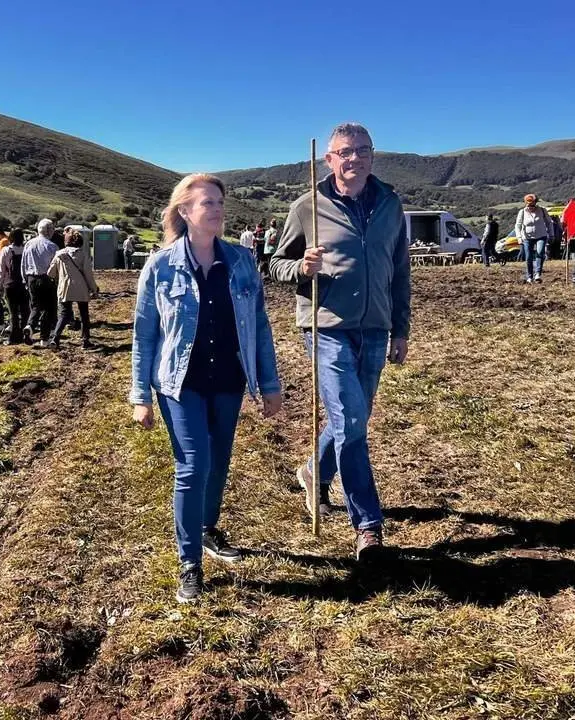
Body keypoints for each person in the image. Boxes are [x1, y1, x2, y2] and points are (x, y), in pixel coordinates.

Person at [130, 173, 283, 604]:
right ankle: (190, 564)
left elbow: (260, 326)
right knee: (193, 465)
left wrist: (270, 385)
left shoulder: (240, 261)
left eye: (218, 202)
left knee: (218, 463)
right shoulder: (160, 266)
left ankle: (207, 527)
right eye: (206, 203)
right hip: (181, 383)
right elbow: (144, 335)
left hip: (229, 380)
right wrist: (140, 396)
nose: (216, 210)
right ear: (184, 211)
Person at [270, 122, 411, 561]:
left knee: (354, 419)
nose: (353, 159)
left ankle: (315, 471)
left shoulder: (390, 203)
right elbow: (275, 263)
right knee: (351, 422)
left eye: (361, 150)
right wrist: (301, 270)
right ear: (329, 159)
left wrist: (401, 328)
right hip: (326, 326)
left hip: (375, 327)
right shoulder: (307, 205)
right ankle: (368, 525)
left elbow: (400, 270)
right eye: (344, 152)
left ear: (373, 155)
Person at [48, 229, 99, 349]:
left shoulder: (59, 254)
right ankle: (85, 341)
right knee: (84, 315)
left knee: (63, 315)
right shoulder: (83, 255)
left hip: (64, 288)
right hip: (81, 288)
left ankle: (55, 338)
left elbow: (50, 273)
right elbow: (88, 274)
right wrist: (94, 289)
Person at [23, 219, 60, 348]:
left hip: (31, 278)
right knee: (48, 309)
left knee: (35, 306)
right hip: (47, 279)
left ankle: (30, 326)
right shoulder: (52, 246)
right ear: (49, 231)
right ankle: (44, 339)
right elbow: (56, 267)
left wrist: (25, 280)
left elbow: (24, 263)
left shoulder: (28, 244)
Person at [0, 228, 30, 344]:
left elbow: (2, 270)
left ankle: (13, 337)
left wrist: (0, 285)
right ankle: (25, 334)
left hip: (10, 284)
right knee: (25, 310)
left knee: (13, 312)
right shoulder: (26, 249)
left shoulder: (6, 250)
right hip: (23, 284)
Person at [514, 194, 553, 283]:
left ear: (536, 203)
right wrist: (519, 237)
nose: (531, 207)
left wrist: (551, 234)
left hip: (541, 235)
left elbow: (549, 223)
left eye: (532, 205)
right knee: (528, 256)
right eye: (528, 205)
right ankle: (529, 276)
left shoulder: (542, 211)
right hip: (527, 237)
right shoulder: (522, 212)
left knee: (540, 253)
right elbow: (518, 225)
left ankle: (538, 273)